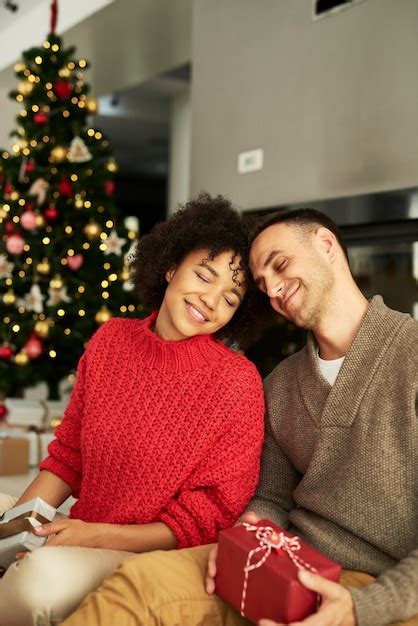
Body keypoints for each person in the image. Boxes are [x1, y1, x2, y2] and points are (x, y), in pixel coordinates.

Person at [61, 208, 418, 626]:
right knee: (138, 584)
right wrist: (248, 537)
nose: (275, 288)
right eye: (263, 285)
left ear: (326, 245)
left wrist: (362, 609)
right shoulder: (283, 384)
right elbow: (270, 498)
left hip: (388, 590)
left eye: (280, 264)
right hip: (280, 564)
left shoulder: (409, 355)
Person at [0, 192, 267, 626]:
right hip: (82, 529)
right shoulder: (112, 341)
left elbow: (204, 520)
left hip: (151, 558)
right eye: (204, 275)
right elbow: (69, 458)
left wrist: (92, 536)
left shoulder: (237, 384)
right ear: (170, 267)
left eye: (231, 298)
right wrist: (10, 535)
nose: (211, 300)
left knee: (36, 583)